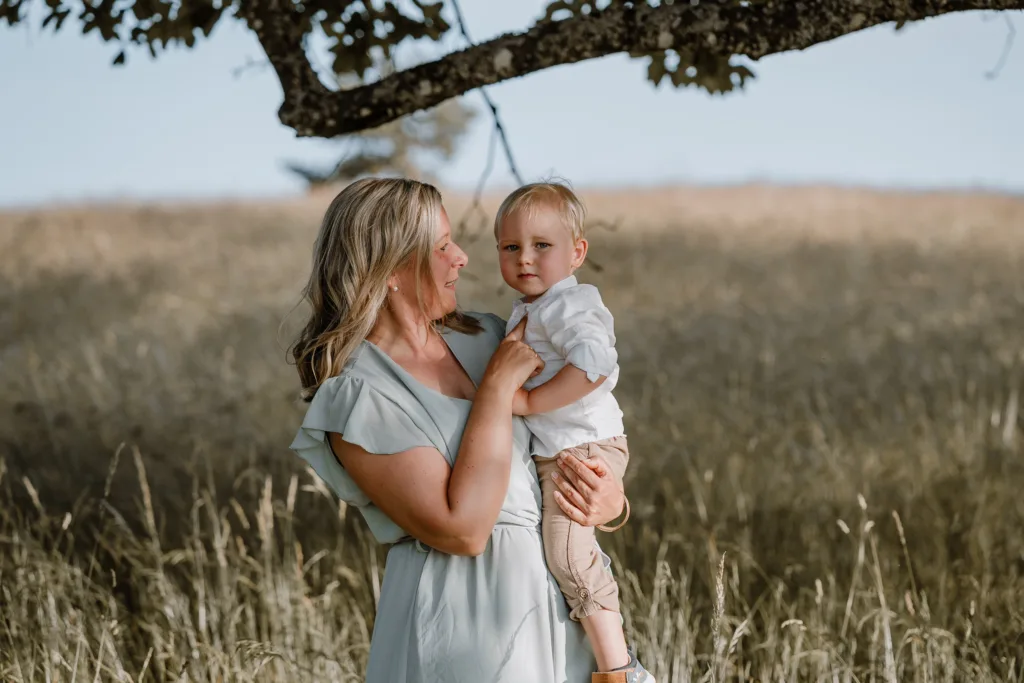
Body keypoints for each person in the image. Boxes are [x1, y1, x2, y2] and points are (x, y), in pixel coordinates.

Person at [288, 177, 632, 682]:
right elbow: (463, 531)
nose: (463, 257)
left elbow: (569, 430)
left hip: (559, 610)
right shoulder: (359, 396)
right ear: (391, 270)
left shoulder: (490, 335)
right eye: (442, 246)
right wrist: (495, 389)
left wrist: (610, 500)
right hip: (462, 631)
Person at [494, 181, 655, 682]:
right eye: (510, 247)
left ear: (577, 252)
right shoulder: (533, 307)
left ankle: (616, 670)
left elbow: (596, 362)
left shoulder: (570, 304)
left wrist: (530, 401)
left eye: (542, 245)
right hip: (564, 445)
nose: (525, 258)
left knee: (567, 552)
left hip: (582, 445)